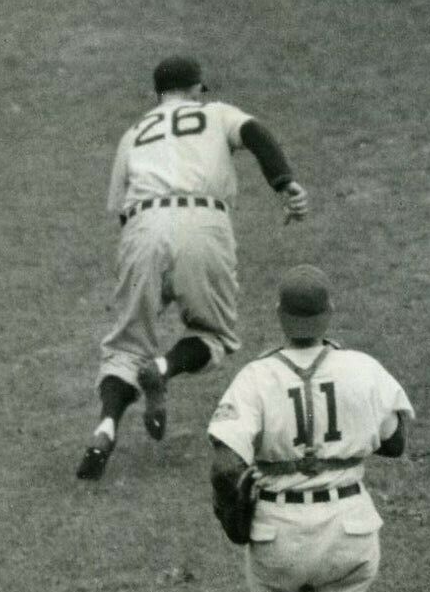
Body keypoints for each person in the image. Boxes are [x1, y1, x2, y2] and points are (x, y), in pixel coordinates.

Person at [206, 265, 413, 592]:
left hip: (278, 532)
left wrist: (232, 514)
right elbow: (397, 440)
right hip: (349, 525)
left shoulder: (255, 376)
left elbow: (224, 462)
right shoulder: (362, 367)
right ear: (328, 315)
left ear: (280, 316)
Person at [77, 55, 312, 481]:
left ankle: (106, 426)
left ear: (158, 94)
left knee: (126, 348)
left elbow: (119, 207)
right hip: (203, 224)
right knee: (215, 334)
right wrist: (285, 184)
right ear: (197, 88)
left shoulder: (133, 133)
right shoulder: (216, 113)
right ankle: (165, 368)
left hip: (142, 228)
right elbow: (256, 134)